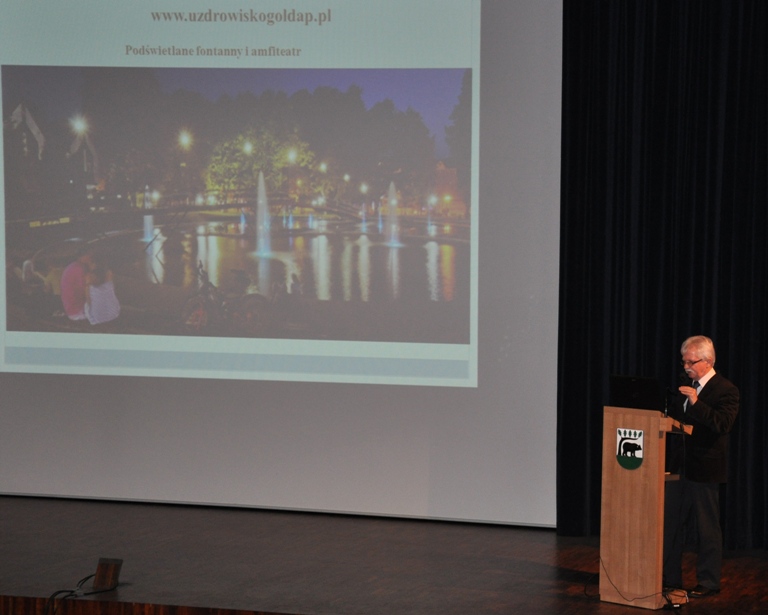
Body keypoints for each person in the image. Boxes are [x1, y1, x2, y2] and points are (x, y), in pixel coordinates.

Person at [663, 335, 739, 598]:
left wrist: (696, 402)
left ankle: (708, 582)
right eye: (684, 362)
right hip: (678, 467)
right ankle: (669, 578)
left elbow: (722, 424)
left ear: (708, 361)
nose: (686, 367)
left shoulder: (726, 389)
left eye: (691, 362)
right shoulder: (685, 386)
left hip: (705, 468)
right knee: (670, 525)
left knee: (707, 528)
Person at [84, 255, 120, 325]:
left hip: (97, 319)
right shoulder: (108, 281)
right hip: (114, 314)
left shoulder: (90, 284)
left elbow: (88, 300)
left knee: (88, 304)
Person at [60, 245, 93, 320]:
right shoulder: (78, 268)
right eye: (89, 255)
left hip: (71, 306)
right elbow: (83, 288)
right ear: (84, 256)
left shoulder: (75, 266)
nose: (91, 258)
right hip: (76, 310)